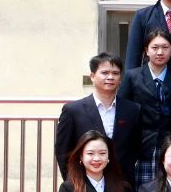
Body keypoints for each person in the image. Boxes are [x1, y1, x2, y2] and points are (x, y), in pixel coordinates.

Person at [55, 52, 142, 185]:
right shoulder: (73, 110)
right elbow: (63, 151)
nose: (110, 77)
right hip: (84, 182)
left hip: (121, 183)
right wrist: (73, 182)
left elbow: (135, 147)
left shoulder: (133, 109)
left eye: (115, 73)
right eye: (105, 73)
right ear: (92, 76)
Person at [119, 29, 171, 186]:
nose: (160, 52)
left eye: (165, 47)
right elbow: (122, 110)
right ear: (146, 50)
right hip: (141, 146)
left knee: (169, 190)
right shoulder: (132, 76)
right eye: (155, 48)